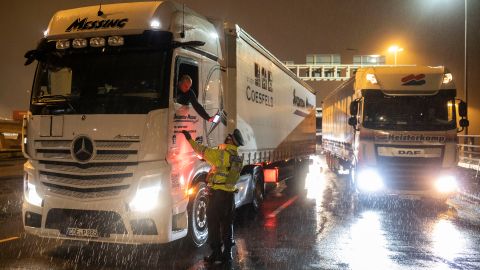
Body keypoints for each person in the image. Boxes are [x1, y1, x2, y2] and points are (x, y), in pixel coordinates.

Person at [181, 129, 244, 265]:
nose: (227, 137)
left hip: (218, 196)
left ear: (232, 141)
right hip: (230, 196)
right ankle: (227, 254)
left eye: (230, 137)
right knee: (227, 224)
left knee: (213, 224)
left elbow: (201, 151)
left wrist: (189, 139)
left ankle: (216, 253)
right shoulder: (237, 157)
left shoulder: (222, 154)